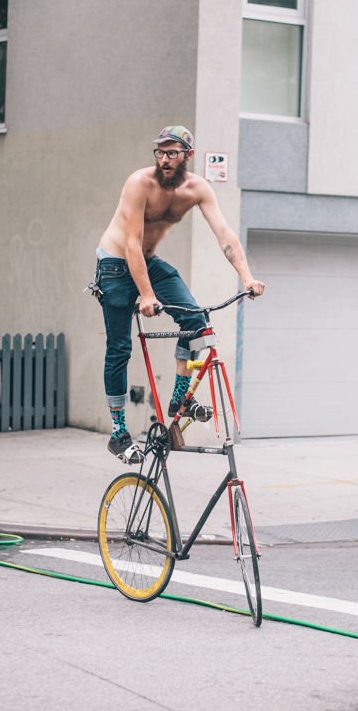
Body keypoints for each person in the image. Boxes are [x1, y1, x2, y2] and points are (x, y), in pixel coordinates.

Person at [94, 125, 265, 464]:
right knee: (120, 348)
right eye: (159, 152)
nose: (164, 159)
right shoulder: (139, 183)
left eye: (172, 153)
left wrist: (246, 276)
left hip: (150, 262)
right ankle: (118, 433)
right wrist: (145, 294)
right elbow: (131, 243)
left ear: (188, 155)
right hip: (115, 263)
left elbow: (224, 233)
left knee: (196, 320)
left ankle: (179, 399)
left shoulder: (197, 188)